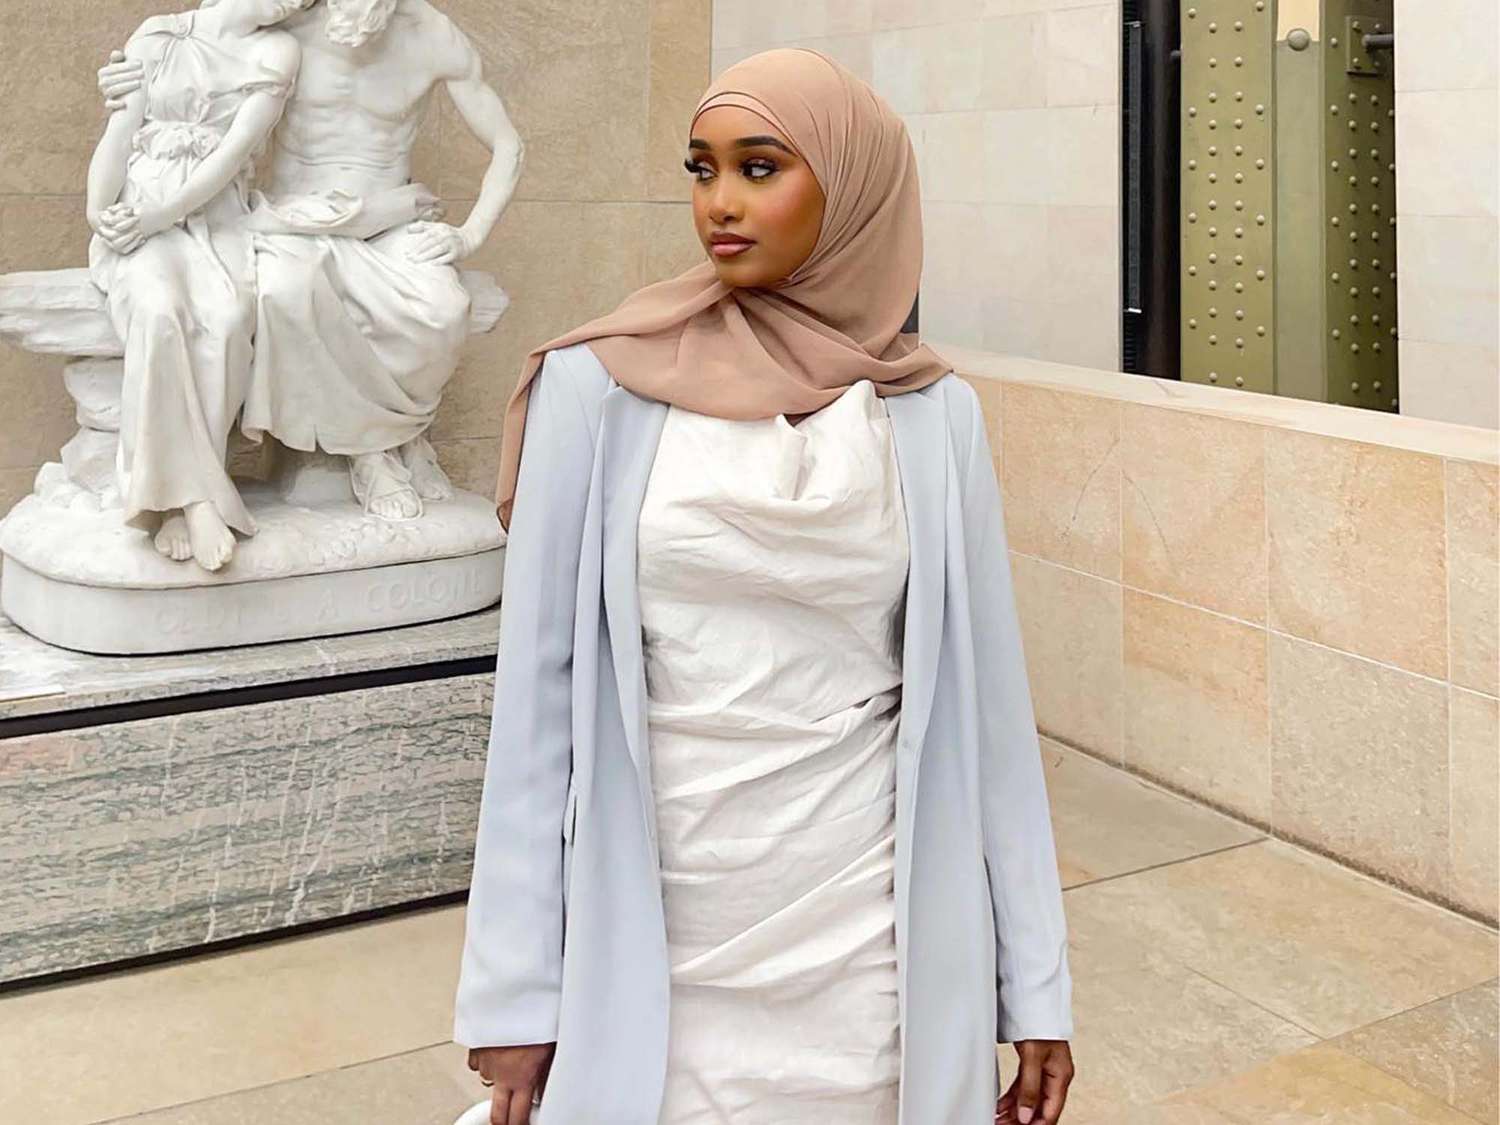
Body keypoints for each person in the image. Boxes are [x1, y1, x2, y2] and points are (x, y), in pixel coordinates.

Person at [455, 48, 1076, 1125]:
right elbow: (534, 716)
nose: (720, 204)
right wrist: (514, 994)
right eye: (702, 170)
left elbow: (989, 721)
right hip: (656, 916)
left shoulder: (930, 415)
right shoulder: (595, 387)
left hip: (871, 929)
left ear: (853, 189)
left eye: (760, 166)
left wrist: (1035, 989)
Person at [94, 0, 524, 522]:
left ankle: (405, 435)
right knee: (280, 290)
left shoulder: (434, 35)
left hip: (389, 218)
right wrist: (131, 74)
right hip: (288, 219)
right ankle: (369, 455)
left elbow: (507, 145)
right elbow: (199, 50)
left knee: (444, 307)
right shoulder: (286, 22)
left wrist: (468, 235)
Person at [85, 0, 313, 571]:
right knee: (159, 312)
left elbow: (231, 155)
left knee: (230, 318)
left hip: (215, 217)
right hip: (138, 210)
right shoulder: (159, 36)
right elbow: (121, 130)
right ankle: (194, 499)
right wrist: (98, 213)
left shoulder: (277, 51)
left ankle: (181, 496)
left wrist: (158, 217)